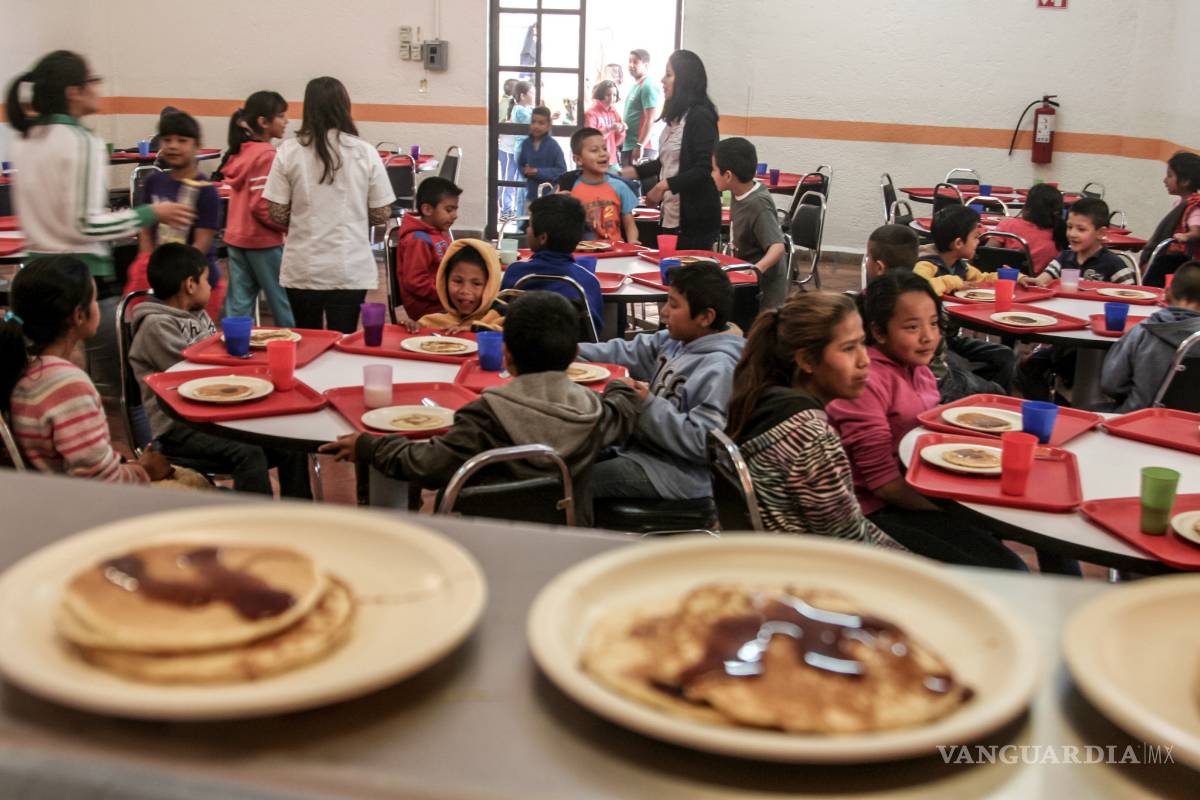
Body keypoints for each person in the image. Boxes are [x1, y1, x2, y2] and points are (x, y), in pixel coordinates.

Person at [318, 291, 641, 527]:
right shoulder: (595, 413)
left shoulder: (485, 416)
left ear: (506, 356)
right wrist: (620, 388)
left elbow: (426, 464)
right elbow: (622, 411)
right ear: (574, 355)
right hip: (566, 536)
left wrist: (370, 446)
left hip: (483, 537)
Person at [4, 51, 195, 398]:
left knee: (45, 384)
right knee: (130, 389)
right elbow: (85, 226)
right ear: (73, 92)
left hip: (34, 277)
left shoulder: (27, 139)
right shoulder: (81, 142)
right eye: (92, 80)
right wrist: (151, 214)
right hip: (79, 280)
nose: (98, 87)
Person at [825, 272, 1027, 571]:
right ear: (879, 331)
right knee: (1010, 569)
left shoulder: (917, 368)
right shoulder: (866, 381)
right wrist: (959, 510)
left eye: (933, 323)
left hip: (914, 486)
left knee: (1021, 519)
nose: (928, 337)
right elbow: (884, 486)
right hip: (874, 510)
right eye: (912, 327)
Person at [128, 244, 312, 498]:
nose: (211, 286)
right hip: (179, 428)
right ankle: (257, 521)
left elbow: (214, 357)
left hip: (218, 414)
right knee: (248, 454)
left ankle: (299, 512)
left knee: (291, 442)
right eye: (206, 279)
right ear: (190, 285)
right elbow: (192, 371)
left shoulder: (197, 315)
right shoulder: (155, 326)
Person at [725, 294, 902, 547]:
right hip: (809, 562)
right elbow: (850, 540)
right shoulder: (810, 437)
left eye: (862, 344)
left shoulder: (766, 400)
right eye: (848, 348)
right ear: (807, 360)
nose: (864, 360)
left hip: (773, 552)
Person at [578, 261, 745, 501]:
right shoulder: (675, 340)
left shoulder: (720, 368)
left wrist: (647, 405)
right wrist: (569, 350)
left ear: (705, 317)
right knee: (573, 456)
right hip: (644, 451)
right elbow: (622, 352)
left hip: (679, 474)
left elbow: (705, 443)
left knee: (576, 484)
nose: (664, 312)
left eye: (674, 305)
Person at [1, 257, 172, 483]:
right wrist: (146, 471)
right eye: (94, 299)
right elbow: (101, 481)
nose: (98, 305)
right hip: (75, 499)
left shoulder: (25, 366)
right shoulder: (67, 385)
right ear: (79, 315)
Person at [263, 76, 395, 333]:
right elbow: (381, 213)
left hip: (303, 266)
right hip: (349, 266)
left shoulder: (288, 151)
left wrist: (304, 218)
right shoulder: (364, 151)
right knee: (342, 338)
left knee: (306, 338)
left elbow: (276, 212)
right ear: (344, 106)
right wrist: (353, 217)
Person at [127, 111, 224, 322]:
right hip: (159, 281)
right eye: (167, 140)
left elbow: (201, 245)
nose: (173, 146)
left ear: (196, 146)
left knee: (193, 337)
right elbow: (145, 231)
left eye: (182, 140)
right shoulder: (153, 182)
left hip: (195, 283)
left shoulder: (206, 191)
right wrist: (146, 268)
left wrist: (174, 281)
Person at [624, 49, 720, 250]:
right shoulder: (676, 118)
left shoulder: (701, 116)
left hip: (695, 217)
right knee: (668, 266)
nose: (662, 80)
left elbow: (703, 168)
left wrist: (661, 186)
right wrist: (627, 173)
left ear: (685, 80)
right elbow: (665, 162)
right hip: (671, 212)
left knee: (685, 268)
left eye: (668, 75)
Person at [913, 206, 1016, 393]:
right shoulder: (927, 263)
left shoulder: (961, 266)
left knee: (1004, 355)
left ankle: (990, 395)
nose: (979, 241)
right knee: (963, 369)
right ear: (959, 243)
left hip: (951, 339)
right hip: (934, 346)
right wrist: (952, 281)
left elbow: (982, 279)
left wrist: (1014, 278)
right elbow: (918, 287)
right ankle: (981, 393)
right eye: (976, 237)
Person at [214, 90, 294, 326]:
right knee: (284, 303)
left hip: (236, 238)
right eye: (281, 116)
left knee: (239, 305)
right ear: (263, 122)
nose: (286, 121)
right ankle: (294, 343)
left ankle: (235, 343)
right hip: (263, 241)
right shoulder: (267, 154)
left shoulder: (242, 151)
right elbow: (261, 205)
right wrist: (289, 226)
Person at [1099, 260, 1200, 412]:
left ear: (1167, 292)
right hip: (1192, 424)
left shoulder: (1142, 331)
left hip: (1137, 418)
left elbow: (1111, 384)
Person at [501, 194, 604, 336]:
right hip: (571, 349)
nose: (527, 229)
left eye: (530, 225)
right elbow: (595, 329)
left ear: (543, 237)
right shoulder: (588, 281)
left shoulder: (516, 272)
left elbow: (499, 314)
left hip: (519, 346)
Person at [711, 137, 787, 309]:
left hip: (763, 292)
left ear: (728, 176)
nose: (711, 174)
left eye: (713, 170)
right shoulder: (740, 190)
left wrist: (757, 269)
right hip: (745, 281)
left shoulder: (757, 203)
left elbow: (778, 246)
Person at [1025, 197, 1133, 286]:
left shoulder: (1113, 264)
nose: (1072, 234)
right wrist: (1022, 278)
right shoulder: (1063, 258)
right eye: (1069, 227)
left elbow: (1132, 295)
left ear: (1101, 233)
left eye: (1081, 229)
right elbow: (1040, 282)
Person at [395, 177, 460, 322]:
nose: (455, 216)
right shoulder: (418, 239)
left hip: (441, 298)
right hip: (428, 307)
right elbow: (415, 282)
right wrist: (448, 294)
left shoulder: (437, 232)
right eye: (449, 210)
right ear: (427, 210)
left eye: (455, 210)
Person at [411, 240, 504, 333]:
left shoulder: (503, 315)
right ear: (445, 281)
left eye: (476, 283)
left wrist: (473, 329)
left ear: (491, 286)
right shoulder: (436, 321)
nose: (465, 290)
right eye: (458, 281)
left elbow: (509, 335)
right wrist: (414, 327)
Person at [566, 127, 639, 245]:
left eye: (605, 148)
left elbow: (629, 223)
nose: (603, 154)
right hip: (585, 252)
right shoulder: (572, 190)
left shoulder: (620, 187)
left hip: (616, 251)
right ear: (578, 159)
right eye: (594, 150)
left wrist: (633, 241)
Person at [1141, 151, 1200, 286]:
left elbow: (1197, 231)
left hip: (1183, 264)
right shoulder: (1179, 204)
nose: (1165, 180)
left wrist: (1186, 236)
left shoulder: (1194, 207)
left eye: (1170, 176)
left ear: (1185, 181)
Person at [989, 183, 1068, 274]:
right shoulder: (1063, 234)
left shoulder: (1008, 225)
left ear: (1028, 206)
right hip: (1042, 281)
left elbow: (987, 253)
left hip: (1008, 277)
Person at [516, 106, 566, 208]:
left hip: (550, 197)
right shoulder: (526, 144)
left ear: (549, 126)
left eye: (541, 123)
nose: (536, 126)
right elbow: (521, 164)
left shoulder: (553, 146)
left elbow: (561, 170)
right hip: (531, 196)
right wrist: (525, 171)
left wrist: (538, 172)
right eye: (533, 122)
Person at [622, 49, 661, 167]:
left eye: (635, 62)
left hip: (642, 148)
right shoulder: (636, 85)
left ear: (646, 65)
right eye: (629, 61)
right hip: (629, 145)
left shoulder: (648, 86)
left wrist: (640, 145)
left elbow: (651, 119)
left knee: (640, 179)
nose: (631, 65)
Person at [508, 81, 535, 216]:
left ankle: (525, 215)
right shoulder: (519, 110)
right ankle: (521, 217)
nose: (534, 95)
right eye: (532, 92)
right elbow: (534, 123)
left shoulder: (528, 108)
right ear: (523, 96)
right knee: (524, 184)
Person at [584, 81, 626, 167]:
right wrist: (609, 129)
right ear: (600, 94)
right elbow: (590, 138)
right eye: (608, 95)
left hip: (612, 159)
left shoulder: (614, 112)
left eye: (614, 95)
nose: (612, 98)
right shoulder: (591, 113)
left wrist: (621, 130)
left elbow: (617, 141)